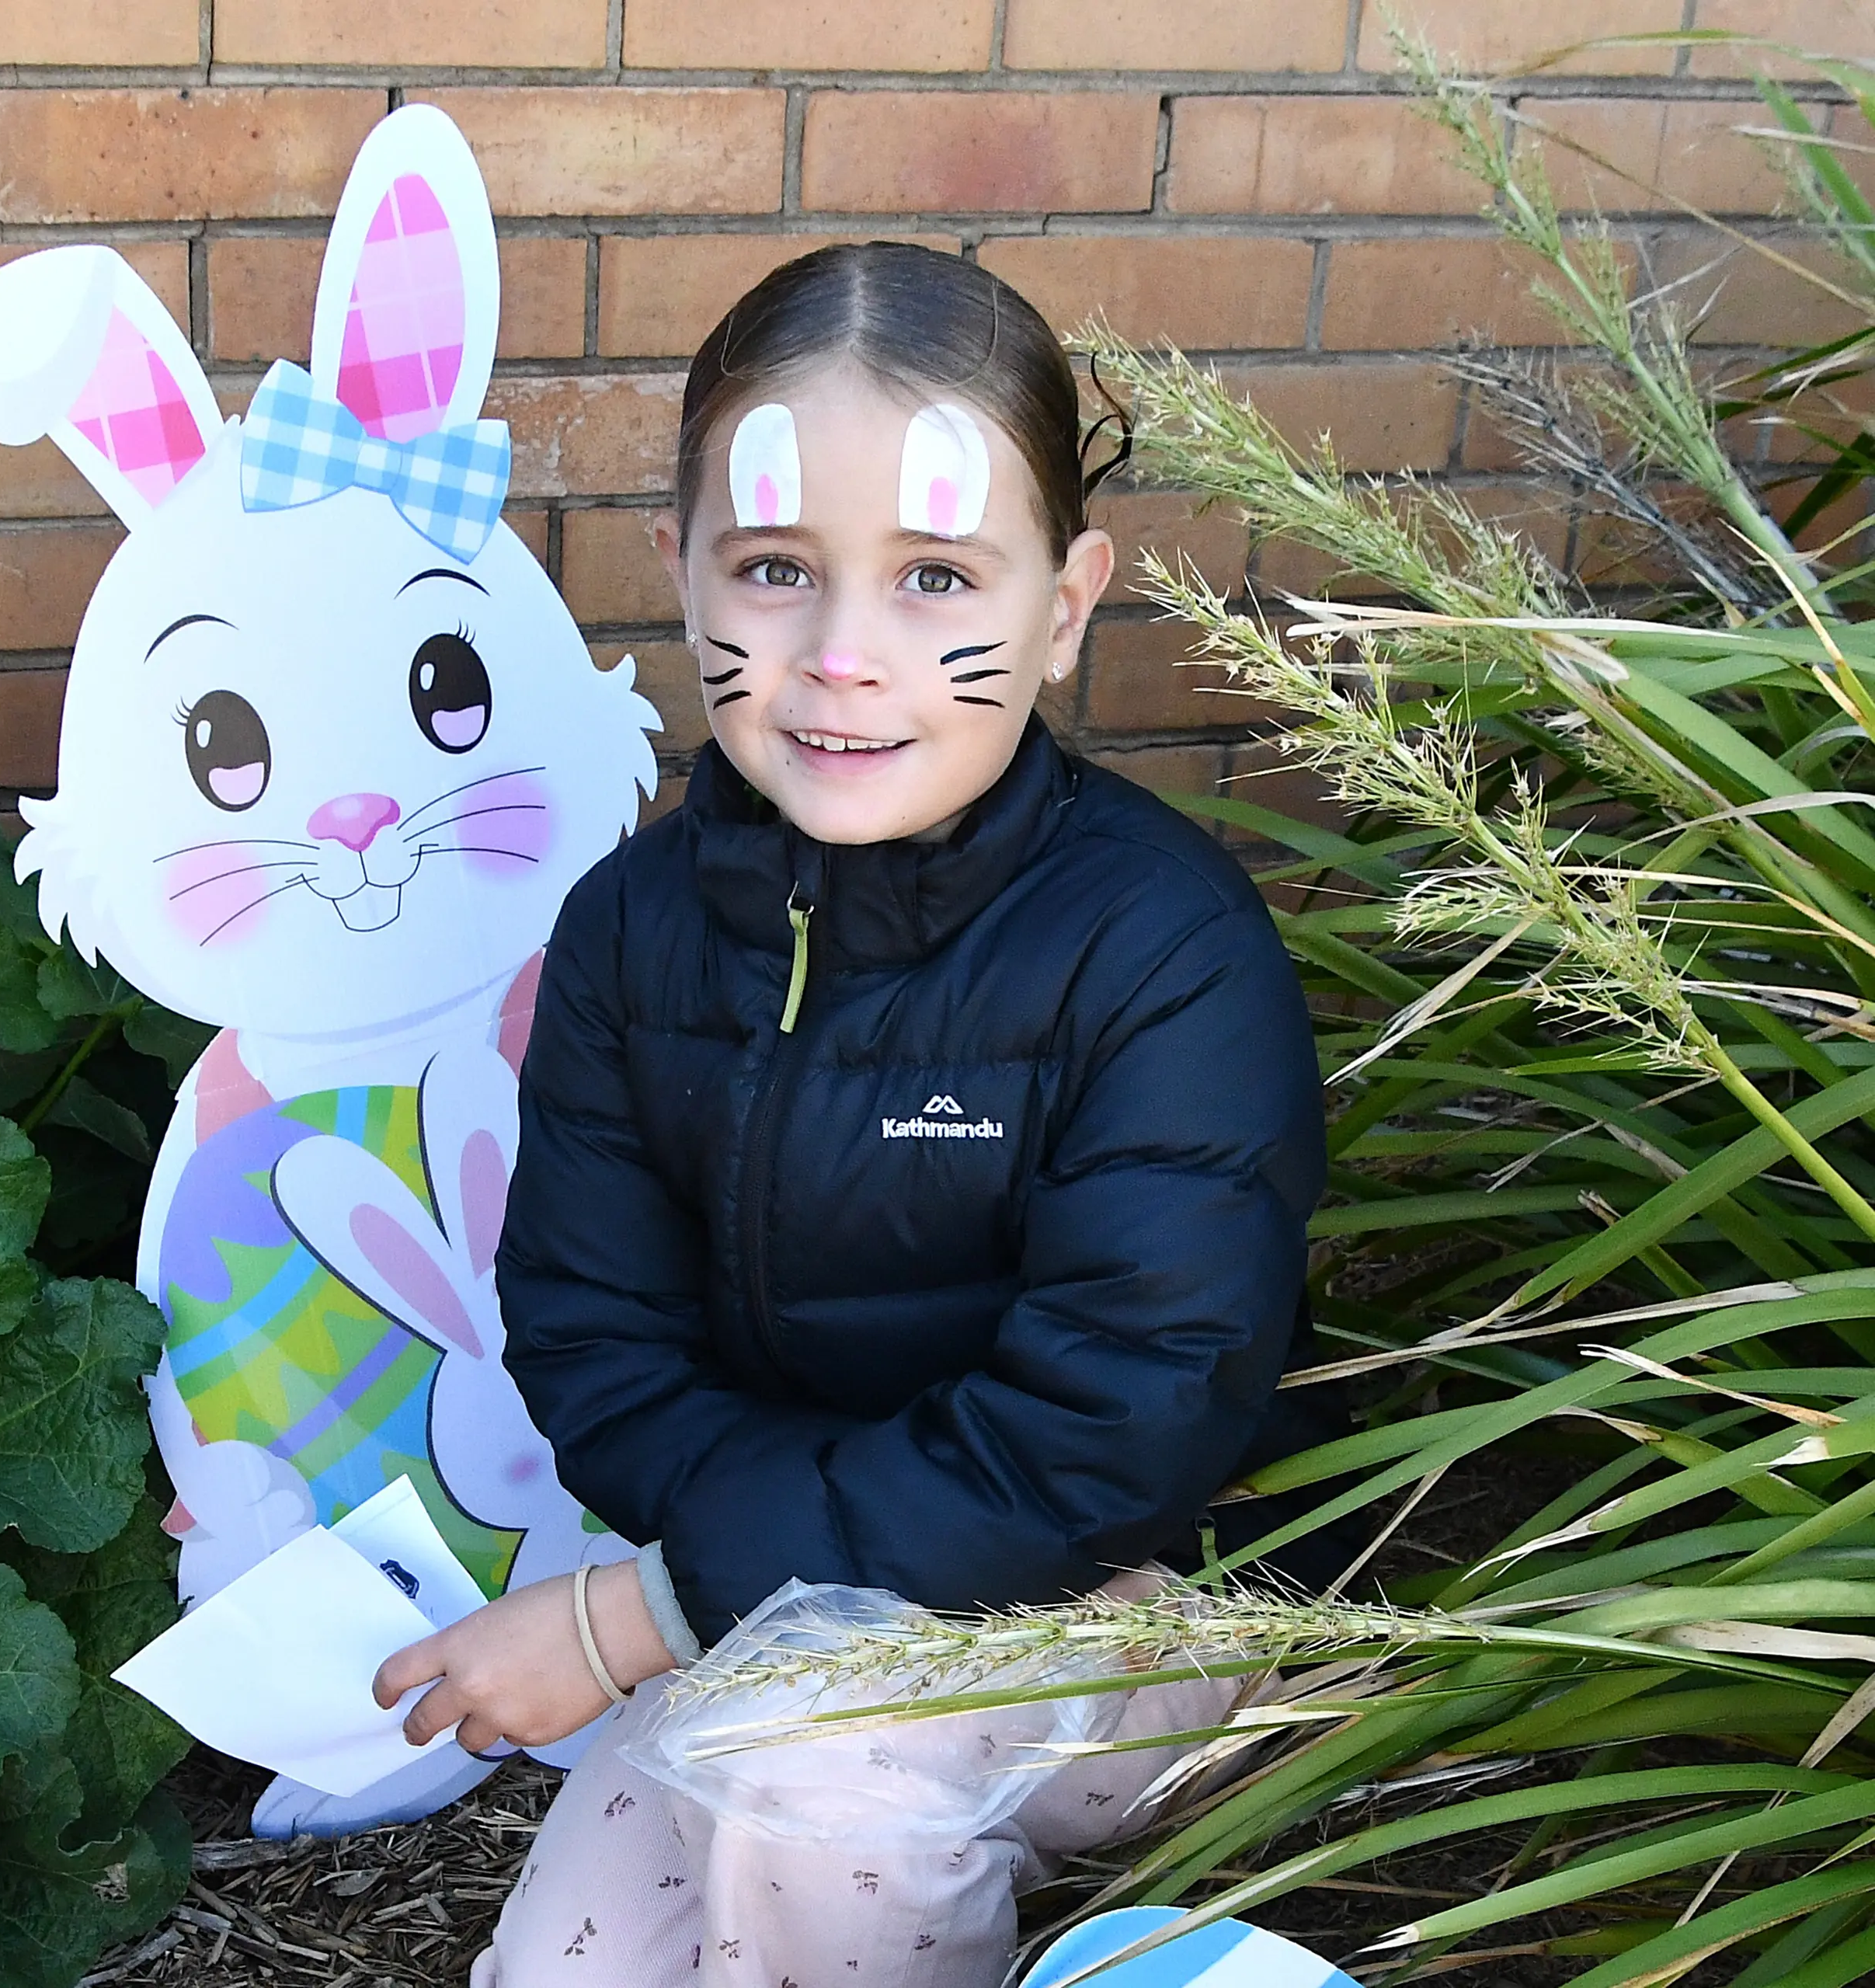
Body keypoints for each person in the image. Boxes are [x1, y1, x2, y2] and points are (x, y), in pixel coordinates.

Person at [367, 242, 1333, 1985]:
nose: (842, 659)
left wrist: (652, 1609)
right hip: (768, 1607)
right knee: (572, 1965)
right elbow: (597, 1341)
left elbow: (1108, 1429)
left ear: (1064, 601)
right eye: (775, 570)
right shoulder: (629, 930)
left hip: (1131, 1605)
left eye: (939, 578)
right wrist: (758, 1588)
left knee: (813, 1790)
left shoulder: (1164, 948)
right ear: (681, 574)